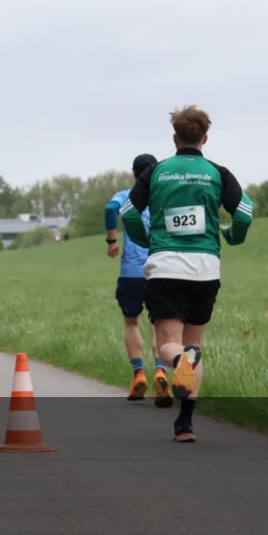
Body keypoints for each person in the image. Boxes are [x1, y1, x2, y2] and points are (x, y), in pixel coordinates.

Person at [121, 106, 253, 442]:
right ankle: (185, 425)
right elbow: (245, 212)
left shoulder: (157, 171)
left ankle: (180, 361)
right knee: (195, 344)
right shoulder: (217, 172)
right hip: (206, 268)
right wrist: (234, 236)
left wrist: (144, 239)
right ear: (205, 138)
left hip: (165, 266)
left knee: (169, 344)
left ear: (175, 138)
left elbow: (128, 211)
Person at [105, 154, 171, 406]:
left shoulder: (125, 195)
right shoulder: (164, 196)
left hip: (131, 272)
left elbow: (110, 209)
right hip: (160, 269)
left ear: (135, 174)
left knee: (131, 322)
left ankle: (138, 375)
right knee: (159, 324)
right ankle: (161, 372)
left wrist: (112, 241)